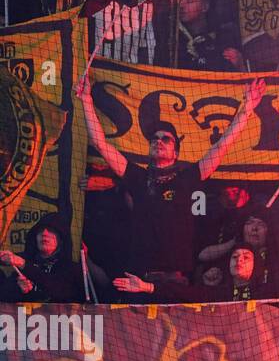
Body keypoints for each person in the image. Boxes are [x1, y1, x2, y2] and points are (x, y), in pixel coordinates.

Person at [78, 73, 264, 299]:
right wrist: (86, 100)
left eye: (166, 139)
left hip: (175, 282)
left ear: (175, 152)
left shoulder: (186, 179)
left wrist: (246, 109)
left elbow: (221, 147)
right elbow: (99, 142)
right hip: (138, 279)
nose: (158, 141)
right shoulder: (136, 176)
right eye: (154, 138)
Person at [0, 215, 81, 303]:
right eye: (40, 231)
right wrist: (20, 290)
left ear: (61, 239)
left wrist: (24, 264)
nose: (44, 233)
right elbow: (3, 296)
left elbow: (60, 290)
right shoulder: (22, 266)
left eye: (51, 230)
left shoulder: (71, 268)